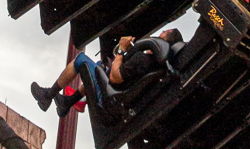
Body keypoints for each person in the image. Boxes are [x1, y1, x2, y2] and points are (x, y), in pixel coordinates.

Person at [30, 28, 183, 118]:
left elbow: (115, 78)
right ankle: (67, 103)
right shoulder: (153, 64)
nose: (161, 32)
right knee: (98, 66)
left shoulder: (143, 59)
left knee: (81, 60)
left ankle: (47, 96)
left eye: (165, 32)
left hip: (109, 98)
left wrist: (122, 50)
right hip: (116, 96)